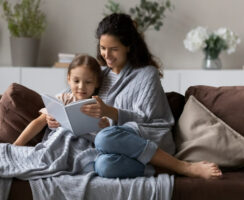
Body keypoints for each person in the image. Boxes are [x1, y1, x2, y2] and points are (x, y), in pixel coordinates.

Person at [79, 13, 222, 179]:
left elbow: (145, 118)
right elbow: (74, 94)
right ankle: (161, 168)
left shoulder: (147, 74)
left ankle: (184, 167)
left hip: (149, 135)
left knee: (104, 138)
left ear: (128, 46)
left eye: (114, 49)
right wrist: (54, 111)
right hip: (118, 143)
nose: (107, 55)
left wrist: (109, 112)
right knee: (103, 165)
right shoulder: (100, 75)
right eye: (103, 48)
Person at [14, 54, 109, 146]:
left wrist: (105, 126)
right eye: (76, 81)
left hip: (82, 147)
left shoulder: (98, 106)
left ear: (96, 82)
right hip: (58, 145)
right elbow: (38, 122)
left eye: (88, 82)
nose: (81, 87)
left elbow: (106, 135)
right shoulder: (62, 99)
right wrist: (17, 144)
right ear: (68, 79)